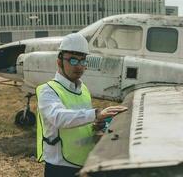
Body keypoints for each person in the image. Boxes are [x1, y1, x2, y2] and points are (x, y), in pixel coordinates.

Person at [36, 33, 127, 177]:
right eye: (73, 60)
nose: (79, 66)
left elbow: (81, 120)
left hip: (84, 162)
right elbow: (58, 117)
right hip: (61, 167)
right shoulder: (48, 91)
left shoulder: (83, 89)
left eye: (83, 60)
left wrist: (95, 124)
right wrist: (95, 113)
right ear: (59, 62)